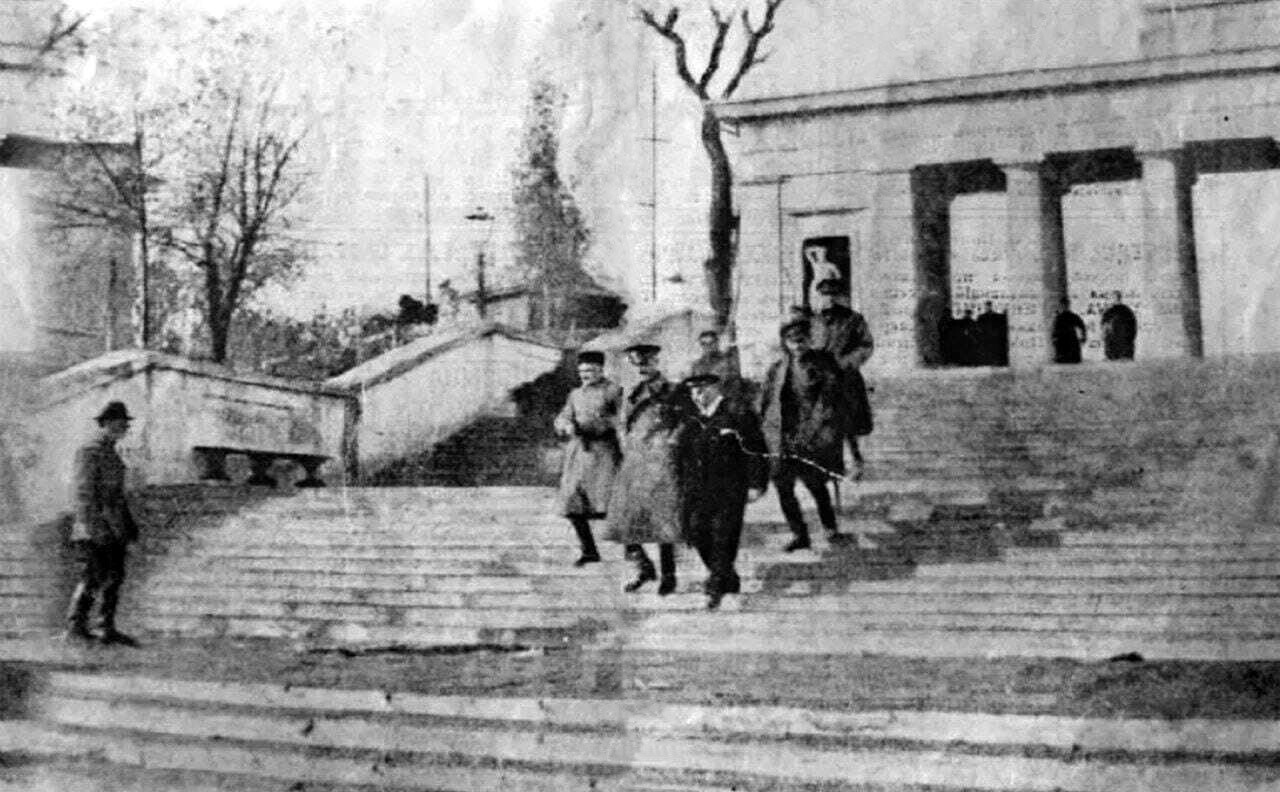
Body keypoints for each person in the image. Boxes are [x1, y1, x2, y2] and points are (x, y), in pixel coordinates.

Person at [677, 373, 768, 610]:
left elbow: (756, 449)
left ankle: (715, 585)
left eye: (702, 390)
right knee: (696, 532)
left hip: (729, 486)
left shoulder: (737, 413)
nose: (697, 396)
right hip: (697, 488)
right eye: (693, 391)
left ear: (716, 389)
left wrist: (756, 484)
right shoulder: (692, 418)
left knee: (723, 534)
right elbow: (682, 454)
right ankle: (727, 575)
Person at [760, 319, 851, 552]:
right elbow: (765, 402)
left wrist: (815, 430)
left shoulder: (822, 366)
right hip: (781, 440)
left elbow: (829, 400)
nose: (797, 344)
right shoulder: (776, 369)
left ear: (809, 341)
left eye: (801, 340)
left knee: (816, 485)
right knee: (783, 488)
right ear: (785, 343)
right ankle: (799, 534)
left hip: (810, 438)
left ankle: (830, 528)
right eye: (792, 340)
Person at [604, 343, 684, 595]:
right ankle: (644, 568)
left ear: (656, 363)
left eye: (647, 364)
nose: (642, 369)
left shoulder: (672, 390)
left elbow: (686, 420)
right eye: (637, 365)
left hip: (661, 460)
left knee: (662, 520)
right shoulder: (629, 393)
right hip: (635, 459)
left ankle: (669, 576)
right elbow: (622, 424)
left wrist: (673, 439)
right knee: (625, 519)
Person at [65, 401, 141, 647]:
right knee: (93, 576)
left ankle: (105, 627)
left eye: (126, 424)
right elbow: (83, 494)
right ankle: (76, 626)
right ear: (107, 423)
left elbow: (118, 497)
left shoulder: (112, 453)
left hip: (114, 528)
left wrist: (128, 530)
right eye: (120, 423)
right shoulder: (89, 451)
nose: (125, 428)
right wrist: (94, 528)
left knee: (115, 577)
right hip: (94, 528)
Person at [553, 351, 622, 566]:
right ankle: (589, 550)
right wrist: (566, 425)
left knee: (611, 506)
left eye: (590, 371)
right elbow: (563, 416)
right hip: (579, 454)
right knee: (573, 503)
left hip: (604, 454)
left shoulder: (613, 391)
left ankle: (638, 556)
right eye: (582, 372)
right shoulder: (575, 394)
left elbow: (621, 419)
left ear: (601, 370)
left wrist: (598, 424)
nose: (585, 376)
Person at [809, 278, 873, 477]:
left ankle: (856, 460)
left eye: (832, 295)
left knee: (848, 423)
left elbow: (865, 345)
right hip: (820, 379)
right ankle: (830, 465)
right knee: (823, 422)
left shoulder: (853, 320)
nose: (828, 299)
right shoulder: (813, 321)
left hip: (845, 379)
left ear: (840, 297)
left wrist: (846, 363)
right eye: (824, 295)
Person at [1101, 291, 1137, 361]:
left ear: (1116, 298)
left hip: (1124, 348)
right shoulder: (1127, 311)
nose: (1109, 299)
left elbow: (1132, 328)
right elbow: (1104, 326)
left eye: (1111, 297)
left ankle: (1120, 356)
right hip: (1114, 348)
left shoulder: (1125, 311)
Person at [1051, 298, 1087, 364]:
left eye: (1066, 305)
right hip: (1063, 342)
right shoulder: (1060, 317)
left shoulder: (1071, 316)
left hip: (1070, 341)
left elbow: (1082, 327)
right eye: (1063, 305)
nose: (1064, 307)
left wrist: (1083, 337)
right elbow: (1054, 331)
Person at [975, 301, 1009, 367]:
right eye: (987, 307)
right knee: (988, 349)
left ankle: (994, 361)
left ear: (991, 307)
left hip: (993, 335)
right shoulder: (982, 316)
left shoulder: (995, 316)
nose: (988, 308)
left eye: (989, 306)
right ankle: (988, 361)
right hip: (986, 336)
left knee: (993, 349)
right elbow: (978, 327)